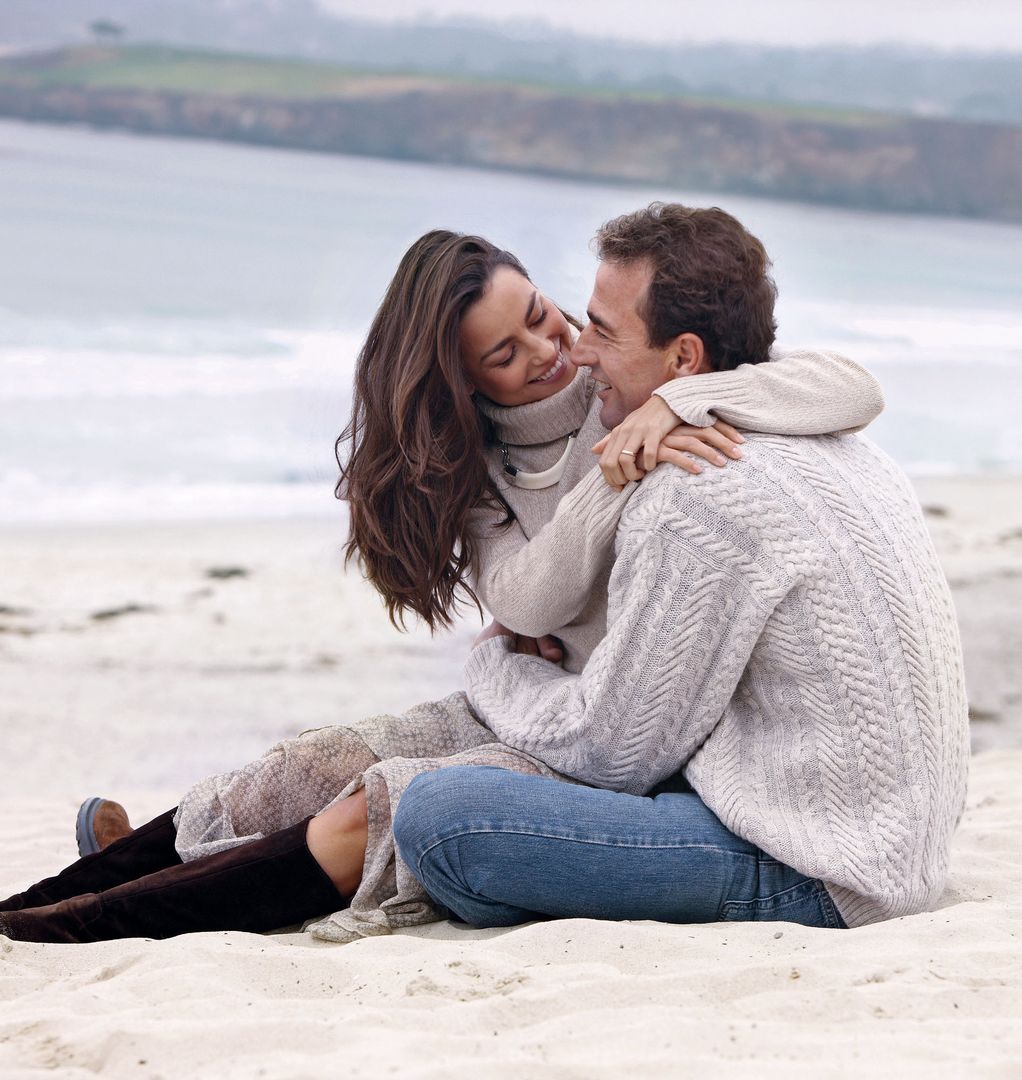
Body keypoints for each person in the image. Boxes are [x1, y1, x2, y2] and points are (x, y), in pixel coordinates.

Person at [0, 219, 886, 943]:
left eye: (541, 315)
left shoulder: (632, 376)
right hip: (551, 696)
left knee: (374, 806)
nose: (550, 351)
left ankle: (92, 924)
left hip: (621, 723)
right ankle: (78, 885)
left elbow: (846, 384)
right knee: (316, 760)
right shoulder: (483, 469)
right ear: (465, 381)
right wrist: (614, 477)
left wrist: (671, 403)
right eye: (504, 352)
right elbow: (528, 599)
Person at [391, 203, 969, 931]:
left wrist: (494, 666)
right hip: (899, 844)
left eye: (602, 330)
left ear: (684, 360)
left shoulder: (695, 492)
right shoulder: (834, 439)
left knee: (440, 818)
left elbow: (609, 753)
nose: (577, 351)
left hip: (811, 868)